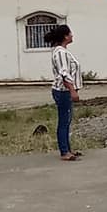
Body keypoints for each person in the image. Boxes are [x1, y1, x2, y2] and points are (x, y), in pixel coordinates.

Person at [45, 23, 83, 161]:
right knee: (63, 121)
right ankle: (64, 152)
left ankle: (68, 149)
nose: (72, 35)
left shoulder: (63, 51)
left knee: (67, 121)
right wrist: (72, 90)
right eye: (70, 33)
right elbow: (64, 73)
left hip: (65, 91)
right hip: (63, 91)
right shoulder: (61, 53)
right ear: (65, 36)